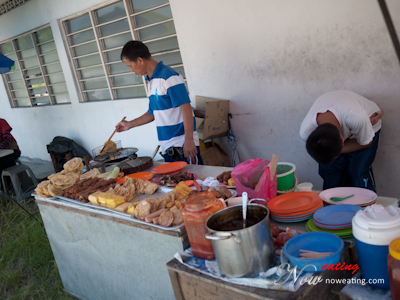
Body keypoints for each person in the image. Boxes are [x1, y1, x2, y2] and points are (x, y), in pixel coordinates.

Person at [116, 41, 203, 164]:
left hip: (183, 147)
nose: (131, 70)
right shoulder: (151, 81)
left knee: (192, 182)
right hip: (168, 148)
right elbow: (152, 113)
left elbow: (186, 108)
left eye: (130, 65)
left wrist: (189, 140)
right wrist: (129, 124)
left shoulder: (169, 76)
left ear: (140, 60)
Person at [299, 90, 384, 192]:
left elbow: (365, 143)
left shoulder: (357, 118)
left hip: (368, 126)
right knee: (331, 177)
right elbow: (326, 153)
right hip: (349, 124)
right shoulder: (306, 132)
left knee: (358, 175)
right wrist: (333, 152)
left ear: (342, 140)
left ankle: (368, 207)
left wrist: (363, 125)